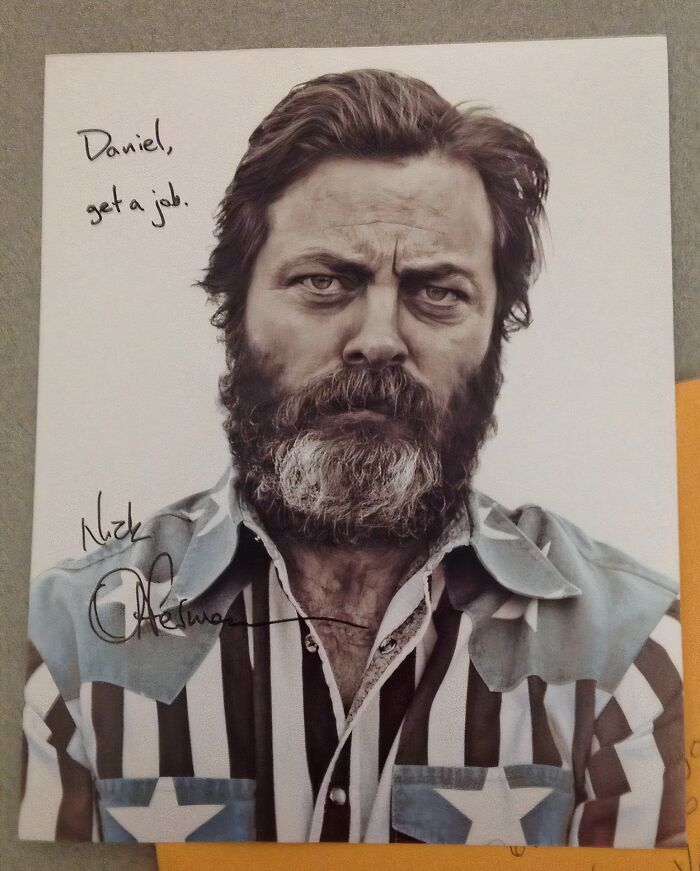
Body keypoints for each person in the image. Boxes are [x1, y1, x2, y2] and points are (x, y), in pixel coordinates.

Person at [20, 69, 685, 847]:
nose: (378, 337)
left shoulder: (630, 654)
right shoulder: (63, 648)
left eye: (437, 291)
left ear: (496, 331)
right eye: (324, 281)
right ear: (233, 311)